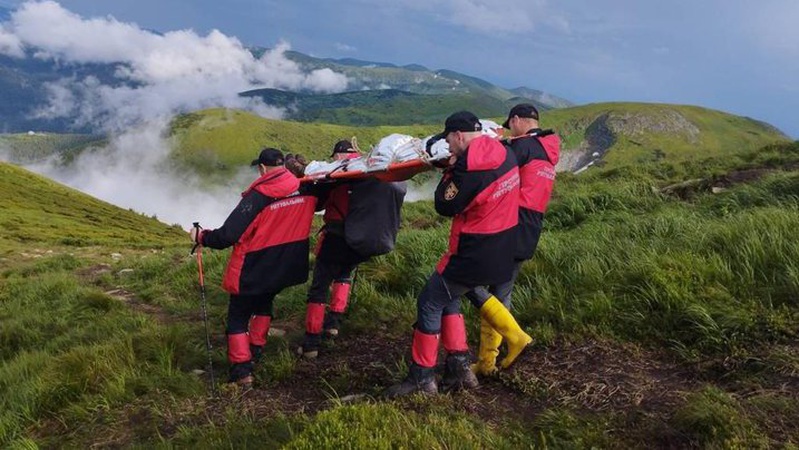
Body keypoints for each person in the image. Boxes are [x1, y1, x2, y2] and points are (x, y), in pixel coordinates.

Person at [384, 111, 532, 398]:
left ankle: (421, 378)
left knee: (429, 301)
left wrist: (451, 170)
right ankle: (460, 369)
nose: (448, 147)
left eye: (449, 141)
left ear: (459, 136)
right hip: (502, 245)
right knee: (449, 299)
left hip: (474, 249)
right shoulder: (506, 152)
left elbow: (444, 205)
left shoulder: (467, 170)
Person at [190, 147, 318, 387]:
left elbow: (227, 236)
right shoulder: (305, 187)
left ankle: (241, 370)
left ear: (261, 168)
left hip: (254, 266)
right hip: (284, 265)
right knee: (264, 304)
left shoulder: (257, 197)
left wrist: (201, 237)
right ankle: (256, 350)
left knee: (237, 317)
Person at [467, 103, 561, 376]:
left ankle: (516, 337)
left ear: (518, 120)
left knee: (467, 280)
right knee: (501, 293)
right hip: (531, 226)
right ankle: (487, 362)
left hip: (510, 222)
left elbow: (491, 169)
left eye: (512, 124)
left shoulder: (521, 148)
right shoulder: (545, 147)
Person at [297, 139, 407, 359]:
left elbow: (316, 203)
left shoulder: (337, 174)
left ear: (339, 155)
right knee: (344, 275)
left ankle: (311, 343)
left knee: (319, 286)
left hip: (336, 237)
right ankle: (333, 324)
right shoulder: (372, 168)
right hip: (362, 239)